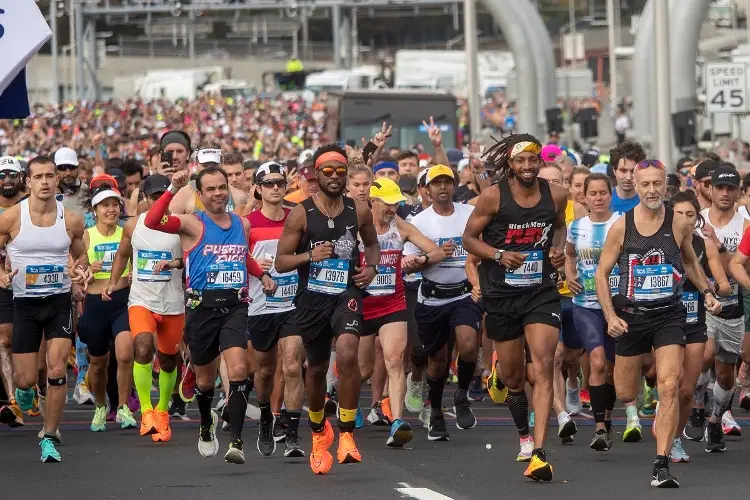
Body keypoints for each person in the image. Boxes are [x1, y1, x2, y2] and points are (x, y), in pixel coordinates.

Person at [594, 159, 720, 488]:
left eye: (657, 183)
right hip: (631, 318)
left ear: (666, 185)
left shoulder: (678, 224)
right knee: (625, 392)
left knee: (670, 387)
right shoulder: (622, 226)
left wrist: (706, 290)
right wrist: (610, 315)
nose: (652, 190)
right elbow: (601, 274)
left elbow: (691, 263)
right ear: (635, 187)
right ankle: (647, 375)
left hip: (669, 314)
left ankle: (661, 463)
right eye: (645, 184)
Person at [144, 167, 276, 465]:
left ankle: (238, 441)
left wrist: (262, 276)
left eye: (222, 187)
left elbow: (243, 257)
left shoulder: (241, 224)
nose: (218, 193)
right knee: (204, 382)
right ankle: (206, 424)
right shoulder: (192, 223)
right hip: (201, 308)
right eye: (211, 189)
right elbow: (153, 221)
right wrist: (172, 189)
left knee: (239, 369)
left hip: (235, 305)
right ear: (200, 195)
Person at [462, 134, 568, 481]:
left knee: (545, 360)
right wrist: (498, 255)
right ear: (510, 162)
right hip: (501, 294)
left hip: (540, 291)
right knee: (513, 378)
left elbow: (560, 229)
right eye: (520, 161)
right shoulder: (493, 197)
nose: (527, 167)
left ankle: (539, 453)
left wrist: (556, 249)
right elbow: (469, 240)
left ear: (540, 162)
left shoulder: (556, 195)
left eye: (533, 160)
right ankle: (523, 434)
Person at [274, 144, 380, 476]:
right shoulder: (301, 212)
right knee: (316, 369)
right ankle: (320, 433)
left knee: (348, 353)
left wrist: (372, 267)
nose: (335, 177)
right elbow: (280, 261)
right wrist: (309, 256)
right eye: (328, 172)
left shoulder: (359, 210)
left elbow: (373, 243)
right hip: (312, 299)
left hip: (345, 293)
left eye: (340, 171)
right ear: (316, 175)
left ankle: (346, 434)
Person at [0, 155, 92, 462]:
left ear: (56, 181)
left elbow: (81, 256)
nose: (44, 182)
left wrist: (81, 270)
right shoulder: (12, 217)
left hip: (59, 303)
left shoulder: (72, 219)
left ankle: (50, 435)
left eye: (49, 176)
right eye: (37, 177)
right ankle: (25, 393)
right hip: (24, 305)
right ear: (28, 182)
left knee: (55, 370)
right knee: (26, 379)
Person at [360, 177, 446, 447]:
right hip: (361, 304)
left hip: (392, 302)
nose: (392, 208)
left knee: (395, 360)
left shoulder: (401, 227)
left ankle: (396, 421)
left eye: (396, 202)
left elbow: (436, 251)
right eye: (387, 203)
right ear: (372, 202)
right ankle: (337, 400)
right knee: (360, 368)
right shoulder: (356, 229)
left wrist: (418, 260)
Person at [404, 165, 483, 442]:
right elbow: (407, 267)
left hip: (464, 292)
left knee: (469, 343)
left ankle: (461, 396)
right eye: (436, 183)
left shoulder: (468, 214)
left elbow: (481, 245)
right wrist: (429, 257)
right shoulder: (419, 222)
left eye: (447, 182)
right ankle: (436, 410)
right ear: (426, 189)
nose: (442, 187)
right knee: (437, 361)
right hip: (432, 297)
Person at [105, 174, 185, 443]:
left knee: (169, 360)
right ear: (144, 198)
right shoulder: (133, 226)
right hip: (141, 300)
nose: (159, 200)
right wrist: (113, 283)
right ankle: (146, 410)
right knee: (142, 346)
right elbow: (123, 255)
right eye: (153, 196)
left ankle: (162, 410)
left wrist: (176, 264)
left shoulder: (179, 226)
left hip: (173, 302)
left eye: (165, 194)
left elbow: (191, 260)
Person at [245, 162, 306, 458]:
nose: (275, 188)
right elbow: (237, 259)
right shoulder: (247, 223)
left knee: (293, 365)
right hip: (259, 305)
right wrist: (258, 269)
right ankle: (266, 420)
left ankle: (293, 434)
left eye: (280, 182)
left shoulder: (298, 218)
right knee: (265, 371)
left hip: (292, 303)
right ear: (257, 188)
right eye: (268, 183)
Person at [671, 191, 730, 462]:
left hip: (695, 321)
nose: (684, 219)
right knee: (666, 383)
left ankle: (675, 437)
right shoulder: (658, 242)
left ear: (697, 218)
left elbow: (721, 282)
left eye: (690, 215)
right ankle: (666, 437)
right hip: (664, 321)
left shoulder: (702, 244)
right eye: (678, 214)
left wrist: (713, 293)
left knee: (685, 390)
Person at [565, 173, 621, 451]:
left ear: (610, 196)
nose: (598, 198)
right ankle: (599, 427)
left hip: (618, 307)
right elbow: (570, 254)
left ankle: (608, 419)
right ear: (584, 197)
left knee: (611, 370)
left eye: (603, 193)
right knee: (597, 361)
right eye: (593, 194)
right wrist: (569, 275)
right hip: (586, 306)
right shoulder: (576, 226)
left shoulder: (622, 224)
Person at [698, 165, 749, 451]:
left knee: (727, 374)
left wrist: (717, 245)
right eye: (720, 187)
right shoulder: (697, 219)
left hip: (733, 304)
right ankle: (696, 403)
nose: (725, 193)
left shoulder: (744, 225)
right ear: (711, 189)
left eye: (731, 188)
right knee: (704, 355)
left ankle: (715, 420)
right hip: (703, 302)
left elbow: (742, 267)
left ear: (738, 192)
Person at [78, 179, 136, 432]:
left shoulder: (127, 234)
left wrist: (134, 276)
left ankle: (123, 407)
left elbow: (137, 264)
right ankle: (101, 405)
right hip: (94, 304)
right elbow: (76, 270)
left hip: (122, 302)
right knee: (98, 362)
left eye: (114, 205)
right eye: (104, 206)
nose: (110, 210)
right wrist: (88, 270)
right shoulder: (87, 236)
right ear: (95, 211)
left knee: (125, 354)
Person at [0, 157, 26, 427]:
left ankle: (29, 390)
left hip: (34, 284)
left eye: (12, 174)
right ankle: (12, 401)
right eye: (2, 174)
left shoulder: (30, 208)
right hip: (4, 284)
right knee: (5, 340)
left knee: (38, 362)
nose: (7, 179)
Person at [609, 140, 646, 213]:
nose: (629, 177)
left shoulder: (649, 200)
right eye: (623, 170)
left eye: (633, 171)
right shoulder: (603, 200)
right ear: (614, 170)